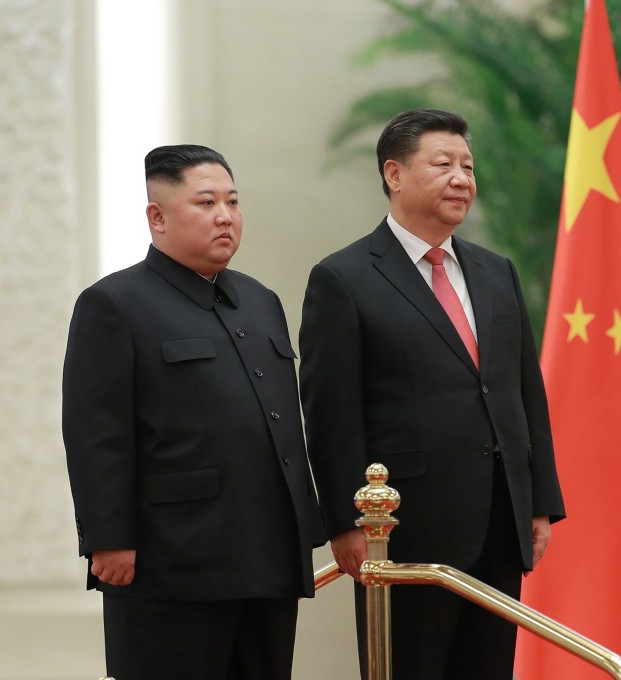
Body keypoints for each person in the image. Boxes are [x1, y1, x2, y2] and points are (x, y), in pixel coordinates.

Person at [299, 109, 565, 679]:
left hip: (499, 519)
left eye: (468, 166)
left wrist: (538, 500)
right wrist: (345, 523)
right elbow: (331, 414)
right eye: (443, 164)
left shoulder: (496, 272)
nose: (462, 178)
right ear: (394, 174)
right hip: (403, 528)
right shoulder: (344, 278)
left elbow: (524, 391)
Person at [62, 144, 325, 680]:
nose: (225, 216)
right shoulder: (115, 302)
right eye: (206, 203)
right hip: (174, 558)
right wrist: (109, 537)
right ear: (157, 217)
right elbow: (96, 432)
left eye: (233, 201)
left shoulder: (260, 299)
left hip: (270, 553)